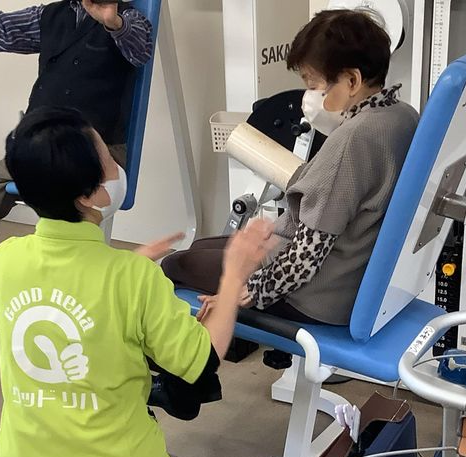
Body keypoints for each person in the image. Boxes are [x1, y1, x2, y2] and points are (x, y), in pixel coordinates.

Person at [0, 107, 274, 457]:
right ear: (89, 196)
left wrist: (129, 265)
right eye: (108, 160)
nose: (117, 167)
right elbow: (201, 360)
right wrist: (234, 275)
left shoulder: (6, 258)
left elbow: (74, 292)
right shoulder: (134, 281)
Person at [0, 0, 154, 348]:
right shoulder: (48, 16)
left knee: (64, 211)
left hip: (91, 151)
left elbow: (140, 52)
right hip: (37, 146)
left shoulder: (130, 18)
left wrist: (113, 22)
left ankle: (78, 315)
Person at [162, 9, 419, 327]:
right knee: (201, 246)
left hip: (315, 297)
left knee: (174, 264)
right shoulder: (402, 115)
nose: (310, 97)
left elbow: (306, 257)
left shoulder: (352, 141)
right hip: (351, 277)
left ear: (352, 80)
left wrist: (248, 292)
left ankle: (200, 350)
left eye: (316, 86)